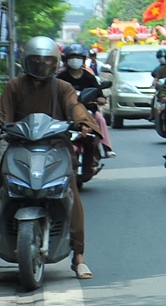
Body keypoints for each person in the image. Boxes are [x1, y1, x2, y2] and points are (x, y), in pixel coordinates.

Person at [0, 37, 99, 279]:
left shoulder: (62, 87)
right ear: (26, 61)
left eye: (47, 60)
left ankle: (78, 256)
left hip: (55, 147)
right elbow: (3, 114)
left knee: (70, 193)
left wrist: (83, 123)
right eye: (36, 60)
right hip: (19, 147)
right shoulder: (14, 86)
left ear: (55, 63)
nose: (41, 65)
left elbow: (74, 106)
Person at [57, 43, 114, 158]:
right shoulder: (60, 78)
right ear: (65, 60)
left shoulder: (89, 77)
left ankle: (107, 147)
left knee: (100, 119)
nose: (75, 60)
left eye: (78, 57)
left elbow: (99, 94)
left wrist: (100, 99)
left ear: (83, 59)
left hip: (88, 109)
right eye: (72, 57)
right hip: (66, 111)